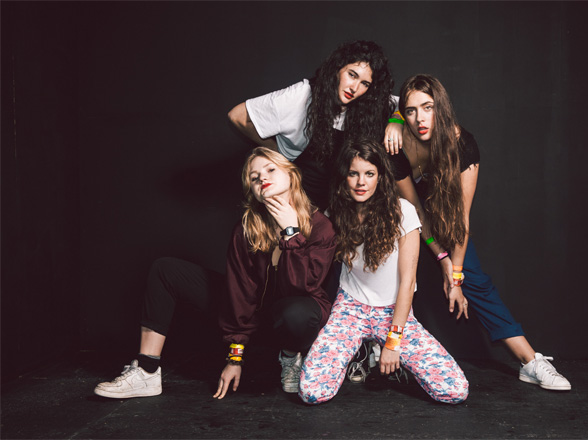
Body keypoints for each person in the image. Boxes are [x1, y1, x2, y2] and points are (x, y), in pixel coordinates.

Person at [94, 147, 336, 399]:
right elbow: (240, 292)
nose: (262, 178)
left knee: (295, 311)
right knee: (165, 269)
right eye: (254, 177)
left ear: (292, 175)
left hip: (293, 319)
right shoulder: (247, 228)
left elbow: (302, 287)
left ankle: (290, 356)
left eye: (271, 169)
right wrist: (235, 357)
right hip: (256, 317)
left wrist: (291, 234)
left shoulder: (321, 228)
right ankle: (147, 371)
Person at [387, 74, 571, 391]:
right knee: (389, 275)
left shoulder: (462, 145)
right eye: (411, 111)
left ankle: (530, 361)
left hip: (444, 218)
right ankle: (374, 350)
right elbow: (414, 210)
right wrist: (441, 258)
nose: (420, 118)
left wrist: (455, 274)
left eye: (428, 107)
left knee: (474, 282)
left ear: (441, 107)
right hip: (401, 217)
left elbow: (461, 219)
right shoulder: (397, 145)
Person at [298, 140, 469, 404]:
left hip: (393, 311)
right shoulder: (335, 213)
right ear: (344, 177)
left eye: (369, 174)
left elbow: (407, 282)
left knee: (455, 391)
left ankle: (376, 346)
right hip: (350, 307)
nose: (361, 182)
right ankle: (359, 351)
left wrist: (393, 342)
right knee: (312, 392)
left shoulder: (403, 211)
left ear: (380, 177)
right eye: (353, 173)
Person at [228, 40, 397, 211]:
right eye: (352, 75)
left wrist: (397, 121)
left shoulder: (368, 106)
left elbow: (403, 102)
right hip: (294, 200)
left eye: (364, 84)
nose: (354, 88)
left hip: (334, 207)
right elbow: (237, 116)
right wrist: (275, 150)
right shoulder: (301, 96)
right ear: (337, 68)